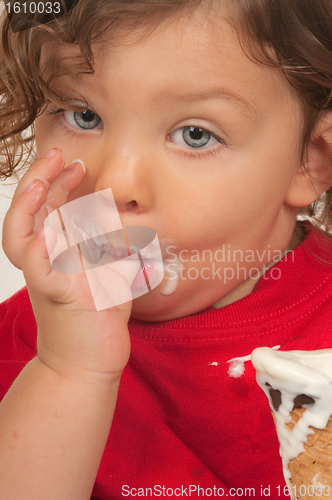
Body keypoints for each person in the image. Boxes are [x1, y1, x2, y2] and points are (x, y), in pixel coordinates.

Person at [0, 0, 332, 498]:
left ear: (309, 161)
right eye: (83, 115)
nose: (115, 183)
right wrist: (69, 370)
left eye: (195, 135)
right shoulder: (34, 341)